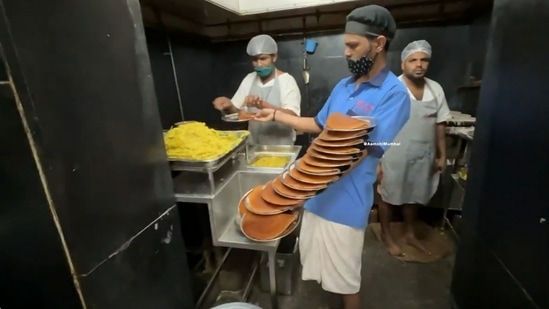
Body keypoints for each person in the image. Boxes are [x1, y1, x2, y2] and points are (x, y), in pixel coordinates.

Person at [254, 5, 410, 309]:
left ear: (378, 43)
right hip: (318, 200)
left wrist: (298, 184)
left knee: (346, 280)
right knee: (327, 276)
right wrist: (274, 114)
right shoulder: (344, 86)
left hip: (346, 204)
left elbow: (365, 148)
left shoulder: (394, 93)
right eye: (345, 46)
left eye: (353, 46)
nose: (347, 53)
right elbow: (318, 124)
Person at [377, 40, 451, 256]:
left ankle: (410, 233)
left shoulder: (435, 89)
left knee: (415, 195)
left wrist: (442, 154)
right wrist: (377, 161)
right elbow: (377, 126)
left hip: (423, 155)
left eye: (423, 60)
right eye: (413, 60)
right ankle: (386, 234)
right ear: (403, 64)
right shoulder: (391, 90)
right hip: (394, 154)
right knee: (387, 196)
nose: (418, 64)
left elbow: (440, 123)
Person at [212, 34, 301, 145]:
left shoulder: (287, 81)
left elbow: (293, 117)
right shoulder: (249, 79)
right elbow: (238, 113)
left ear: (274, 57)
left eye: (263, 59)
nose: (259, 64)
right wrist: (229, 105)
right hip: (255, 146)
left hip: (281, 147)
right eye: (255, 60)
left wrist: (262, 104)